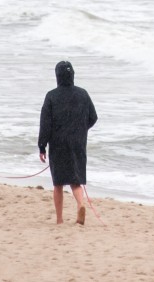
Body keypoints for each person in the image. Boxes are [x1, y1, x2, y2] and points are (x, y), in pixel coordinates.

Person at [38, 60, 98, 225]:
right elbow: (93, 117)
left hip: (58, 144)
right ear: (72, 75)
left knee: (58, 183)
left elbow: (45, 123)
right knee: (75, 180)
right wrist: (81, 130)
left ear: (57, 76)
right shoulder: (83, 94)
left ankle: (59, 220)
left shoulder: (51, 96)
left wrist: (42, 146)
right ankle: (80, 204)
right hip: (78, 143)